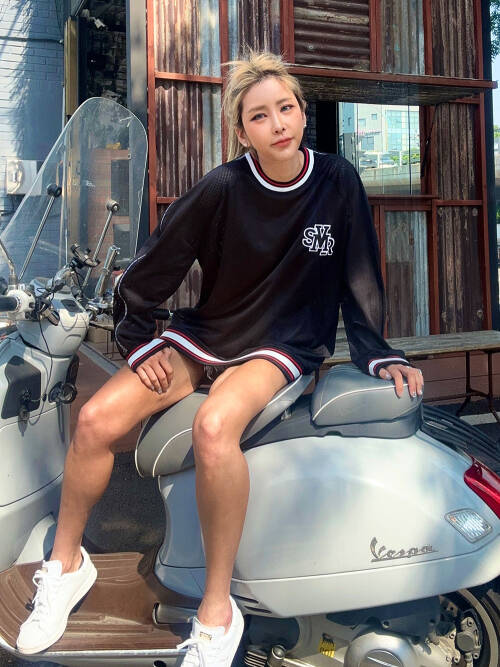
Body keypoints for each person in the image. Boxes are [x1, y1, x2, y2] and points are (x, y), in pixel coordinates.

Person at [17, 50, 424, 664]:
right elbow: (159, 260)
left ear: (302, 112)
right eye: (260, 116)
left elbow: (360, 271)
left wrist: (376, 351)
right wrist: (138, 337)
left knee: (214, 427)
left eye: (285, 108)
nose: (277, 124)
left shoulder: (337, 180)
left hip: (283, 342)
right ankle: (66, 564)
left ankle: (216, 609)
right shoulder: (223, 186)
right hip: (208, 334)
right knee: (96, 420)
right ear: (242, 131)